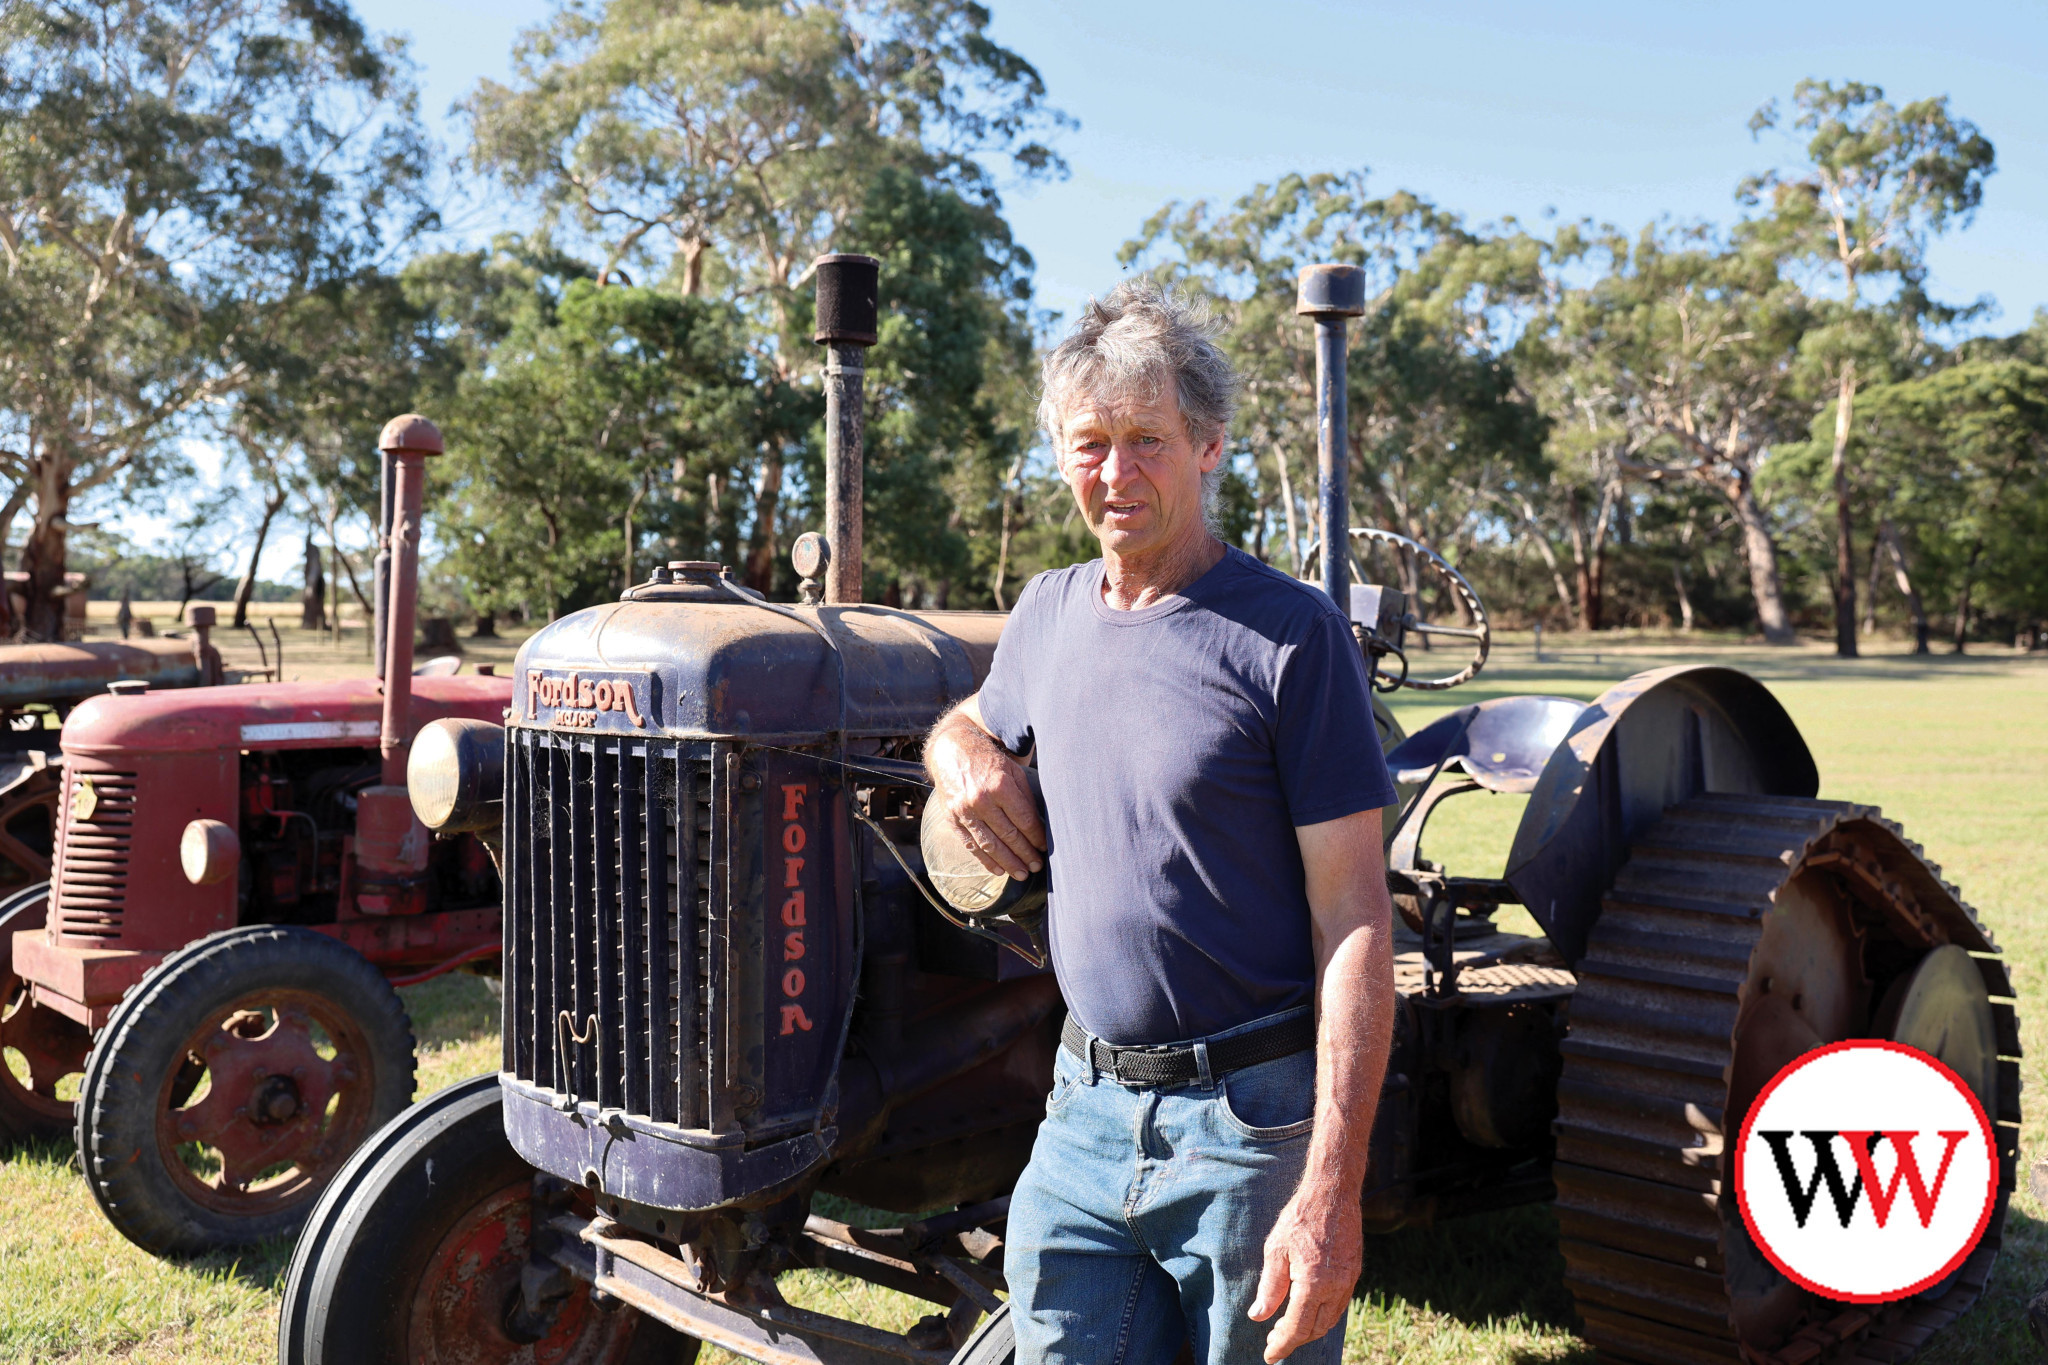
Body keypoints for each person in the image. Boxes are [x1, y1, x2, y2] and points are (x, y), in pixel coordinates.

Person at [924, 280, 1398, 1365]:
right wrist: (959, 752)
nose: (1116, 473)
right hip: (1082, 1113)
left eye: (1147, 440)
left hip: (1249, 1125)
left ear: (1209, 446)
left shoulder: (1288, 637)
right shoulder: (1046, 612)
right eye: (1089, 444)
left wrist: (1332, 1182)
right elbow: (965, 719)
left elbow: (1356, 920)